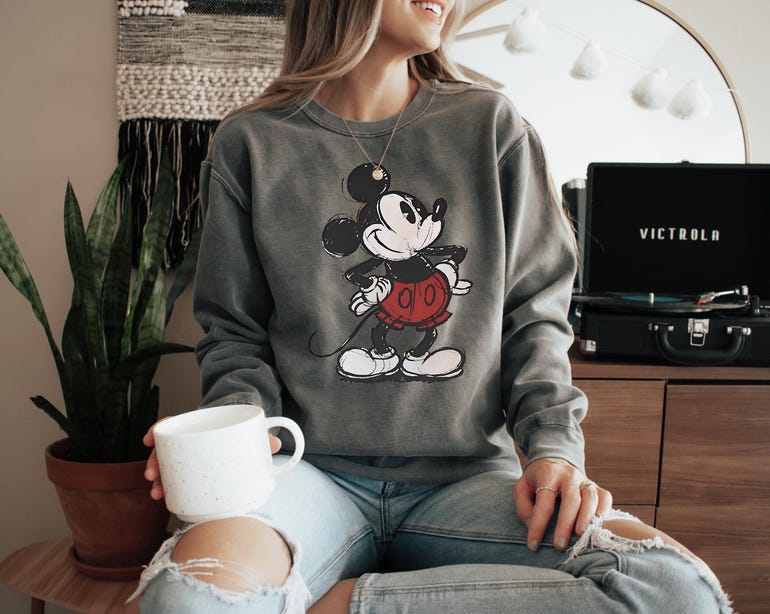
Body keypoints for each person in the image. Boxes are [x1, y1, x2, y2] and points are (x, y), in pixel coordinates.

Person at [126, 1, 732, 612]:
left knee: (676, 592)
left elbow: (534, 316)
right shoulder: (250, 142)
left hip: (468, 484)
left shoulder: (491, 126)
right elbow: (233, 333)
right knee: (184, 599)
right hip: (307, 479)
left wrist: (552, 449)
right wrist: (235, 432)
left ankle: (337, 604)